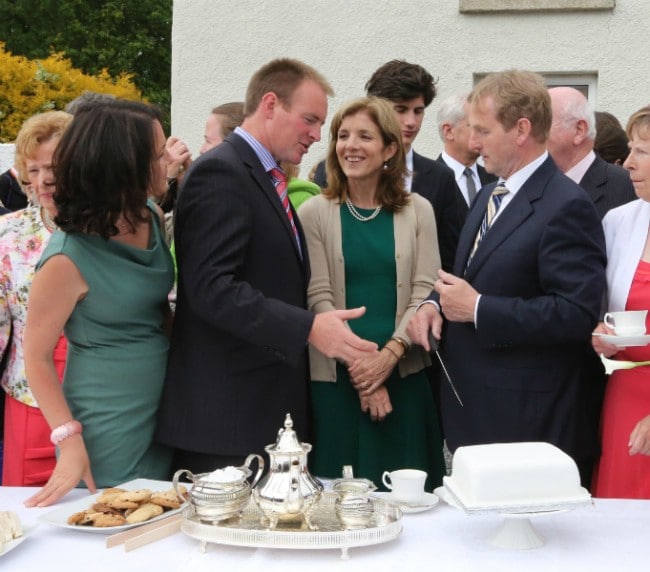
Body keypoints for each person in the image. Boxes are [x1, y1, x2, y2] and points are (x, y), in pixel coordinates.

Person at [155, 58, 377, 475]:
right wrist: (308, 327)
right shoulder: (221, 171)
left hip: (258, 412)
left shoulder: (259, 172)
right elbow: (212, 289)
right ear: (270, 104)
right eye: (309, 120)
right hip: (227, 422)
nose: (316, 134)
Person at [406, 70, 607, 483]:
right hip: (478, 413)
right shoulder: (489, 192)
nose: (473, 142)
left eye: (482, 130)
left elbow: (575, 313)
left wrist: (479, 309)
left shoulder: (567, 205)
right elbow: (465, 275)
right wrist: (432, 303)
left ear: (521, 130)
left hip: (527, 423)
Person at [24, 99, 174, 507]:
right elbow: (34, 358)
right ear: (123, 164)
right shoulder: (66, 257)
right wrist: (69, 440)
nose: (167, 162)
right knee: (119, 521)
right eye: (158, 156)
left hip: (165, 406)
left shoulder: (150, 214)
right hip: (108, 420)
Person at [299, 97, 445, 490]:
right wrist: (366, 375)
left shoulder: (419, 210)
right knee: (338, 504)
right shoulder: (313, 212)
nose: (351, 145)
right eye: (342, 136)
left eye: (365, 136)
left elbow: (424, 291)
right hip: (337, 383)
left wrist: (389, 358)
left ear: (390, 149)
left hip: (405, 377)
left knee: (411, 505)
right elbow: (318, 295)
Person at [313, 60, 464, 273]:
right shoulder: (332, 170)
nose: (411, 121)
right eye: (401, 110)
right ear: (377, 110)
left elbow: (449, 260)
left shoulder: (441, 178)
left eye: (418, 111)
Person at [0, 111, 72, 486]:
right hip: (31, 400)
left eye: (54, 167)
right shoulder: (7, 234)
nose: (45, 179)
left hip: (103, 397)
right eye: (33, 169)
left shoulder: (116, 228)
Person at [592, 105, 650, 498]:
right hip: (624, 393)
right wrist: (598, 331)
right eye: (630, 150)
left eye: (642, 151)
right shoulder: (619, 220)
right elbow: (601, 305)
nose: (627, 163)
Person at [547, 87, 636, 219]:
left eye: (543, 124)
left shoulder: (629, 188)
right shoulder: (531, 185)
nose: (530, 134)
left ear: (579, 130)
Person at [436, 93, 497, 210]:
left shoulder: (496, 179)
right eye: (475, 126)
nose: (483, 132)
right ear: (448, 131)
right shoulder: (429, 182)